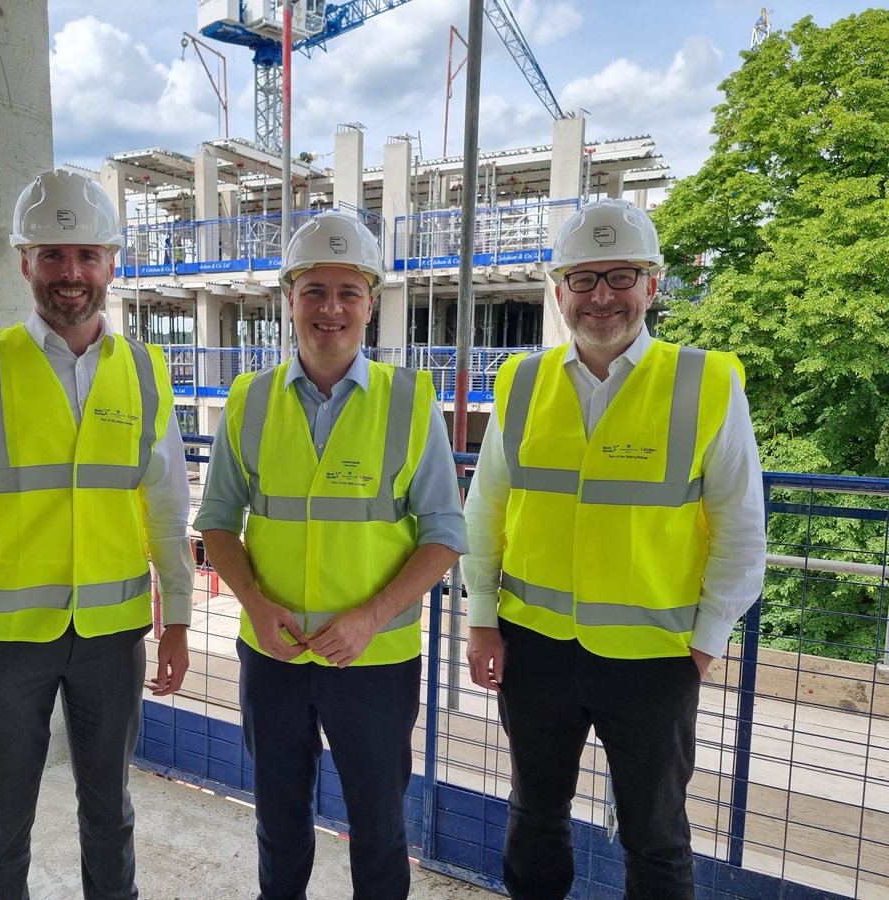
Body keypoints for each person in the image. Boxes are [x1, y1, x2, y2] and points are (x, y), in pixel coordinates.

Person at [462, 197, 767, 899]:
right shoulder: (522, 381)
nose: (602, 297)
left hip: (656, 658)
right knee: (535, 815)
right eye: (584, 279)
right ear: (559, 291)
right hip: (534, 646)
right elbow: (488, 510)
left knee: (655, 838)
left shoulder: (706, 382)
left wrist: (705, 641)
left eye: (621, 276)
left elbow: (741, 528)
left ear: (652, 285)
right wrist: (482, 618)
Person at [0, 167, 194, 900]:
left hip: (112, 634)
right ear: (24, 262)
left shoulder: (146, 371)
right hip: (3, 641)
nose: (71, 274)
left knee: (111, 812)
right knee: (4, 818)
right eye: (52, 255)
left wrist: (180, 621)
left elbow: (167, 510)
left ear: (111, 263)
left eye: (87, 256)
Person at [195, 211, 467, 900]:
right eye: (315, 290)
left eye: (348, 292)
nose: (331, 308)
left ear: (371, 303)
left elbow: (444, 534)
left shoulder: (410, 403)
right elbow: (218, 522)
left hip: (374, 660)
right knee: (279, 821)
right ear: (289, 299)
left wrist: (371, 617)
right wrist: (256, 607)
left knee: (378, 828)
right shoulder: (249, 400)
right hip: (274, 654)